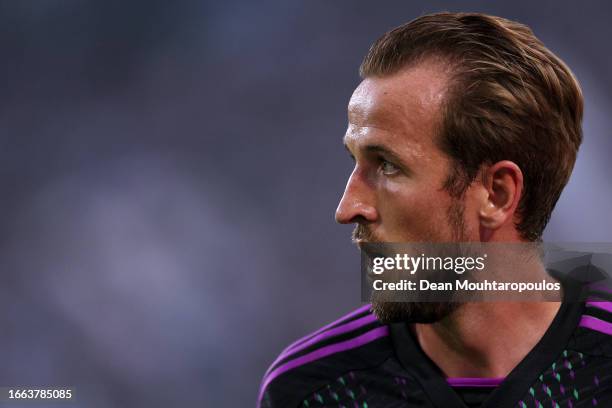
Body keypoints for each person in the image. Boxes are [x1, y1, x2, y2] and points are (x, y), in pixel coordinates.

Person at [258, 12, 612, 407]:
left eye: (388, 166)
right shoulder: (311, 390)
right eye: (355, 161)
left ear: (496, 194)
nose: (348, 208)